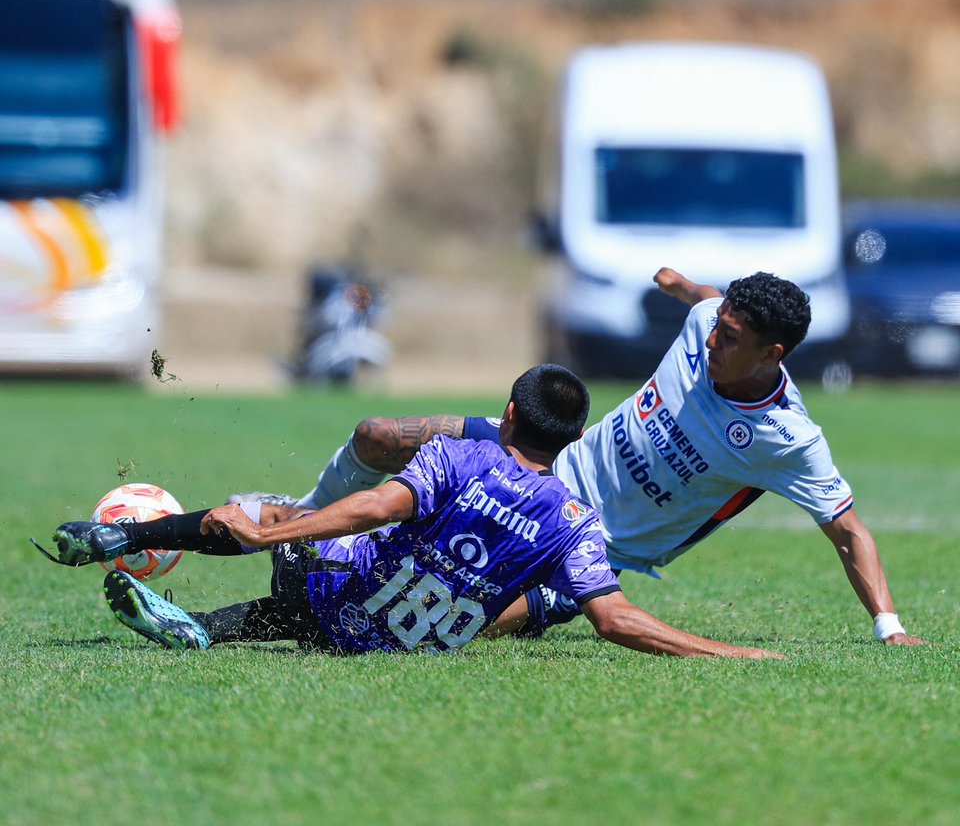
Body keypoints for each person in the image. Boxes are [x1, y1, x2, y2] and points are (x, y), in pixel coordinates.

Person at [251, 270, 925, 647]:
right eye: (718, 325)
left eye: (733, 336)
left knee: (438, 617)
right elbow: (708, 305)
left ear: (773, 355)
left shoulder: (790, 440)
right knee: (378, 433)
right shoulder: (708, 324)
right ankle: (302, 520)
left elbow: (849, 532)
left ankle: (309, 584)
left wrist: (889, 628)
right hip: (542, 455)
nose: (714, 338)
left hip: (585, 544)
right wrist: (684, 287)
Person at [38, 364, 779, 660]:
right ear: (574, 437)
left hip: (338, 599)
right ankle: (206, 631)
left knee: (272, 519)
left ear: (509, 413)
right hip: (395, 646)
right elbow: (616, 620)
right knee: (520, 598)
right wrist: (735, 652)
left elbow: (367, 509)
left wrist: (276, 531)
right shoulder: (576, 521)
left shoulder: (463, 457)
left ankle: (118, 535)